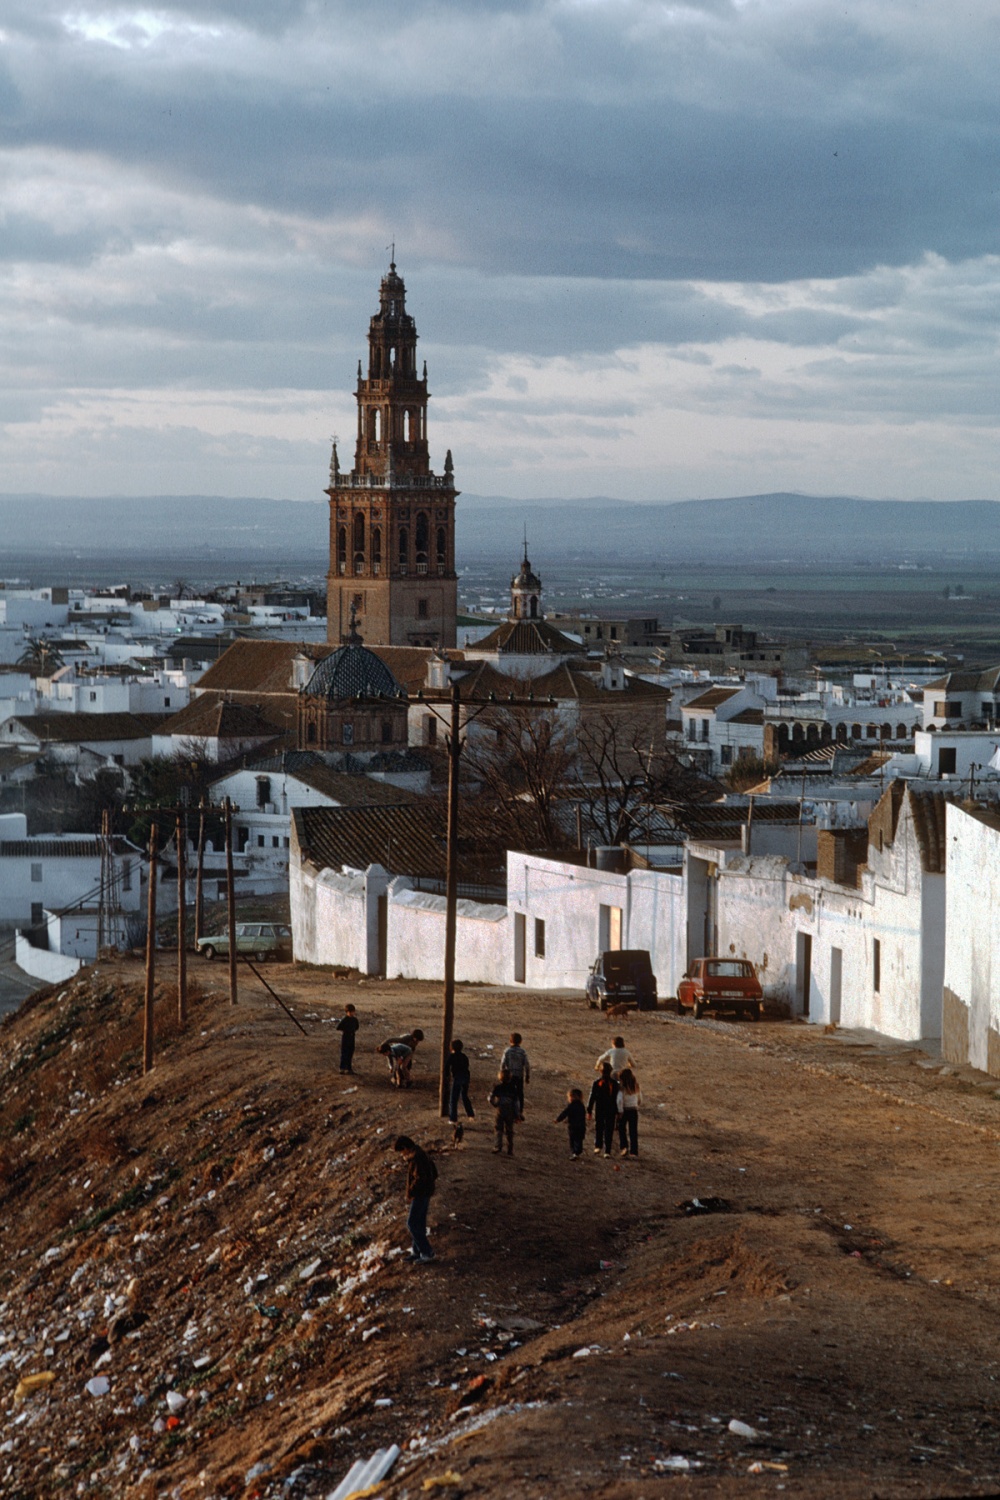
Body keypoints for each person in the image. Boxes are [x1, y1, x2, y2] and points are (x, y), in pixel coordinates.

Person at [393, 1135, 437, 1263]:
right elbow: (434, 1172)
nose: (402, 1154)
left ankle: (427, 1252)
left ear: (406, 1148)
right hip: (425, 1193)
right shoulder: (420, 1154)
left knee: (412, 1223)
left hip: (420, 1194)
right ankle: (417, 1252)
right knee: (419, 1223)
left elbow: (419, 1179)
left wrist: (411, 1192)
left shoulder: (416, 1158)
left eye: (401, 1151)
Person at [444, 1039, 475, 1141]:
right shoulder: (464, 1056)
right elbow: (467, 1066)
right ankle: (470, 1115)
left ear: (451, 1048)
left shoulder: (452, 1056)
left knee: (454, 1099)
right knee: (465, 1096)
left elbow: (446, 1066)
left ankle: (453, 1118)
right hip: (466, 1077)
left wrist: (447, 1075)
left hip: (457, 1078)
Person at [587, 1062, 617, 1157]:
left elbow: (592, 1097)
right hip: (610, 1109)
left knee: (600, 1127)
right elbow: (618, 1098)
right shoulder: (614, 1084)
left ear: (600, 1071)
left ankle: (598, 1146)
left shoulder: (597, 1083)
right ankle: (606, 1150)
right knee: (608, 1129)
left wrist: (589, 1110)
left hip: (601, 1109)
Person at [488, 1068, 519, 1156]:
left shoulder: (497, 1088)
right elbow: (516, 1103)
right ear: (510, 1078)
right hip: (510, 1111)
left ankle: (498, 1146)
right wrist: (517, 1114)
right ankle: (510, 1148)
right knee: (509, 1130)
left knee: (498, 1128)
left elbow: (490, 1098)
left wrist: (495, 1104)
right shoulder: (513, 1088)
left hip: (500, 1109)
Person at [500, 1032, 530, 1119]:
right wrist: (527, 1076)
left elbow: (502, 1063)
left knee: (509, 1093)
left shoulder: (507, 1051)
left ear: (510, 1041)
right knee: (520, 1094)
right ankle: (519, 1112)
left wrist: (502, 1074)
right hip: (519, 1076)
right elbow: (527, 1064)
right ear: (520, 1041)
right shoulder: (522, 1052)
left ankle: (509, 1111)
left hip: (508, 1076)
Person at [555, 1088, 588, 1160]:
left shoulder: (571, 1105)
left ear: (572, 1097)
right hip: (581, 1126)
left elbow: (565, 1113)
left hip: (573, 1127)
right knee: (579, 1140)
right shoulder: (581, 1106)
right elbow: (580, 1115)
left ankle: (575, 1152)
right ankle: (577, 1152)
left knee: (573, 1140)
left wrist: (558, 1120)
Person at [616, 1066, 642, 1157]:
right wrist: (637, 1105)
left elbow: (619, 1100)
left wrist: (620, 1111)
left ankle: (624, 1147)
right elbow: (640, 1098)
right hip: (634, 1110)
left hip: (624, 1110)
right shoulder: (636, 1086)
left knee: (621, 1128)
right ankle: (634, 1151)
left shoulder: (622, 1088)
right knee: (633, 1131)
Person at [335, 1003, 360, 1075]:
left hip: (352, 1037)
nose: (352, 1013)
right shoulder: (345, 1020)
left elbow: (357, 1027)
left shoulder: (354, 1020)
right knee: (344, 1053)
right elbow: (338, 1027)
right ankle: (342, 1068)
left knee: (350, 1053)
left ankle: (349, 1068)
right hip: (346, 1037)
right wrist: (346, 1030)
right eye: (350, 1012)